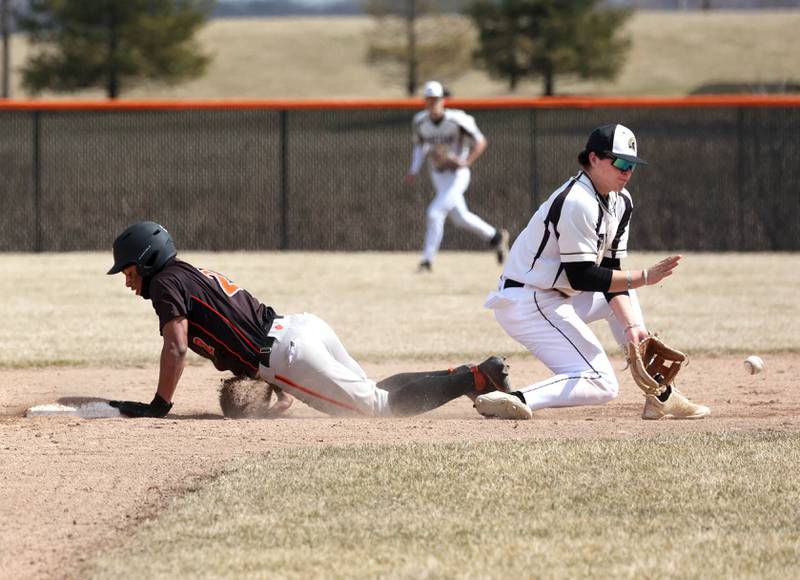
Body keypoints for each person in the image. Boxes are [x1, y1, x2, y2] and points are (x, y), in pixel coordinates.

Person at [106, 221, 511, 418]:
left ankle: (473, 379)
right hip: (298, 330)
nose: (128, 282)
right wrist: (279, 383)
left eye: (128, 272)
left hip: (286, 354)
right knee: (373, 391)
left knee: (379, 410)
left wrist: (160, 405)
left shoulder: (164, 285)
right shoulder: (186, 273)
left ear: (148, 262)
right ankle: (466, 373)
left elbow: (176, 346)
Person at [474, 124, 710, 421]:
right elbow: (583, 276)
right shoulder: (577, 201)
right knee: (602, 382)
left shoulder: (620, 201)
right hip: (527, 301)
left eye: (633, 165)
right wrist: (647, 276)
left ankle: (661, 396)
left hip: (558, 296)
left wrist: (631, 328)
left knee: (626, 297)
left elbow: (610, 272)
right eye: (621, 163)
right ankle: (516, 399)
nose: (627, 171)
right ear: (594, 158)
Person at [404, 80, 509, 273]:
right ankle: (495, 237)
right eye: (429, 100)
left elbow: (481, 141)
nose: (432, 104)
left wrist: (467, 161)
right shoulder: (420, 121)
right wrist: (413, 169)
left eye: (436, 99)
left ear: (443, 100)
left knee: (435, 213)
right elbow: (420, 146)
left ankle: (427, 261)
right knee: (461, 218)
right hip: (438, 174)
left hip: (458, 175)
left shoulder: (457, 119)